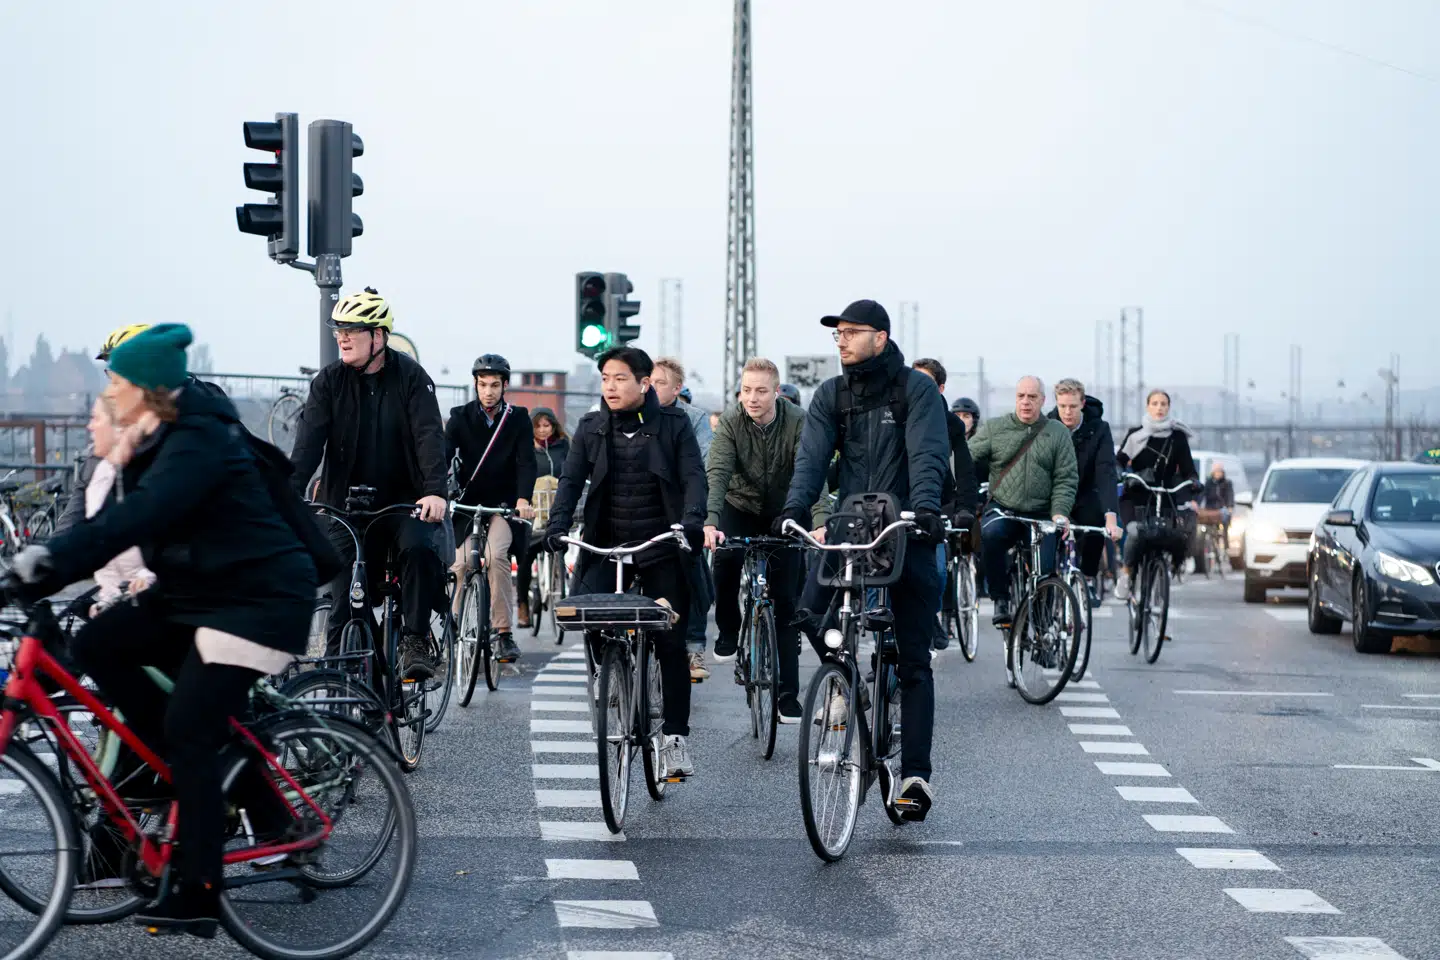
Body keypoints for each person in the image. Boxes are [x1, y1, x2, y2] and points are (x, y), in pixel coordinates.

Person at [13, 324, 318, 935]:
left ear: (147, 389)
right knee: (99, 643)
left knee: (190, 728)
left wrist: (49, 566)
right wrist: (36, 568)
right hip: (200, 593)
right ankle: (187, 762)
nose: (109, 391)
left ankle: (199, 888)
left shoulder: (198, 441)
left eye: (119, 381)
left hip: (256, 600)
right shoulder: (157, 436)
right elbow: (105, 522)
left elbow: (137, 519)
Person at [777, 299, 948, 820]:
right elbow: (811, 457)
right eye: (838, 335)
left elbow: (926, 453)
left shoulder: (915, 390)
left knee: (914, 657)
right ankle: (846, 684)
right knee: (810, 611)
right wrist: (794, 509)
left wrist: (924, 509)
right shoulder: (832, 394)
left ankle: (915, 773)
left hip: (905, 525)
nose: (843, 341)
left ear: (881, 336)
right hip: (852, 524)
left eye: (852, 332)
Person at [542, 346, 707, 777]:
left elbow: (693, 476)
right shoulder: (592, 426)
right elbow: (571, 479)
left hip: (660, 544)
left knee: (669, 640)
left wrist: (691, 521)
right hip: (606, 542)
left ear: (643, 382)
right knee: (588, 614)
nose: (610, 387)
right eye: (604, 379)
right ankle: (610, 672)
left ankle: (674, 738)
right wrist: (558, 526)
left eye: (619, 379)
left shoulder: (673, 424)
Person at [289, 287, 449, 681]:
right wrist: (287, 493)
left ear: (378, 336)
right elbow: (307, 445)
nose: (342, 336)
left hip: (404, 501)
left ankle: (413, 638)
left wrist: (434, 491)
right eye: (338, 329)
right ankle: (341, 694)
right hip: (345, 504)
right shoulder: (328, 382)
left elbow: (429, 435)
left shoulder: (411, 377)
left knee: (417, 550)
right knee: (344, 604)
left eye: (353, 330)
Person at [704, 357, 814, 723]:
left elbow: (809, 472)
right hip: (739, 504)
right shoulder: (733, 420)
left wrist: (817, 521)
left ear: (776, 393)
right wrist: (710, 522)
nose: (752, 398)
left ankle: (787, 694)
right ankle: (729, 626)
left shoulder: (798, 420)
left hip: (785, 507)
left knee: (786, 601)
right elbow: (717, 472)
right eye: (746, 390)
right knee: (725, 557)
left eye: (761, 391)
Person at [56, 324, 227, 536]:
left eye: (118, 378)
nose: (112, 388)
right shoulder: (112, 440)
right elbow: (80, 513)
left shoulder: (193, 433)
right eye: (112, 376)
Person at [968, 376, 1079, 634]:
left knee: (1045, 567)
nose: (1026, 402)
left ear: (1042, 400)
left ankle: (1042, 627)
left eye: (1032, 397)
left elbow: (1066, 477)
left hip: (1042, 513)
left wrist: (1060, 512)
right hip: (1004, 507)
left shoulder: (1057, 432)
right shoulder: (996, 428)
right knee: (990, 535)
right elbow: (965, 458)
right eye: (1021, 396)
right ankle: (1000, 599)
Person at [445, 354, 536, 660]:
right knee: (458, 564)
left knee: (496, 556)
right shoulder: (460, 416)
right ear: (475, 385)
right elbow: (444, 455)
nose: (488, 391)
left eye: (495, 385)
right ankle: (454, 625)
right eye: (483, 385)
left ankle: (503, 633)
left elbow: (526, 461)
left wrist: (523, 499)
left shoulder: (518, 418)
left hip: (503, 505)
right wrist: (434, 492)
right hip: (467, 504)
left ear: (505, 386)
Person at [652, 356, 714, 680]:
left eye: (660, 382)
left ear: (677, 388)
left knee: (694, 572)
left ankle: (694, 646)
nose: (651, 387)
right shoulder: (635, 415)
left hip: (682, 510)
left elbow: (702, 469)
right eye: (649, 380)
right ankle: (610, 663)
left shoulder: (694, 418)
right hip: (644, 510)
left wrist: (699, 516)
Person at [912, 359, 978, 651]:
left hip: (936, 506)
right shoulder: (897, 412)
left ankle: (930, 616)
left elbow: (963, 470)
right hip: (898, 503)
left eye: (925, 383)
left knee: (937, 571)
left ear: (939, 388)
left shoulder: (951, 425)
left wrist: (965, 508)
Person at [1115, 388, 1198, 597]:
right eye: (1155, 403)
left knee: (1175, 534)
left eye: (1163, 404)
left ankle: (1167, 568)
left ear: (1169, 407)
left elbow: (1188, 469)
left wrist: (1194, 482)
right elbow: (1119, 461)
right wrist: (1120, 473)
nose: (1159, 408)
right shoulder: (1136, 434)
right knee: (1134, 532)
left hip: (1166, 495)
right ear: (1147, 406)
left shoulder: (1178, 437)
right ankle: (1126, 573)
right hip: (1137, 496)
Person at [1048, 379, 1122, 607]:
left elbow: (1106, 472)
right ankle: (1047, 586)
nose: (1067, 412)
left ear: (1082, 404)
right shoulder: (1047, 426)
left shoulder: (1099, 429)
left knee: (1095, 525)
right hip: (1054, 495)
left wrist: (1111, 516)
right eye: (1062, 407)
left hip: (1087, 491)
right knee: (1046, 538)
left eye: (1072, 406)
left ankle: (1088, 578)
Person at [83, 396, 156, 613]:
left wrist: (149, 580)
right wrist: (107, 598)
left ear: (119, 428)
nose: (90, 426)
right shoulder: (101, 473)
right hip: (118, 600)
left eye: (97, 418)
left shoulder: (151, 473)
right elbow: (95, 543)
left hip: (157, 601)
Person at [515, 407, 570, 618]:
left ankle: (558, 585)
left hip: (557, 509)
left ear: (554, 426)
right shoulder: (525, 448)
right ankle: (522, 604)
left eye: (546, 425)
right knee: (526, 557)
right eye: (537, 426)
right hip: (533, 511)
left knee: (561, 547)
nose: (542, 430)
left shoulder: (564, 446)